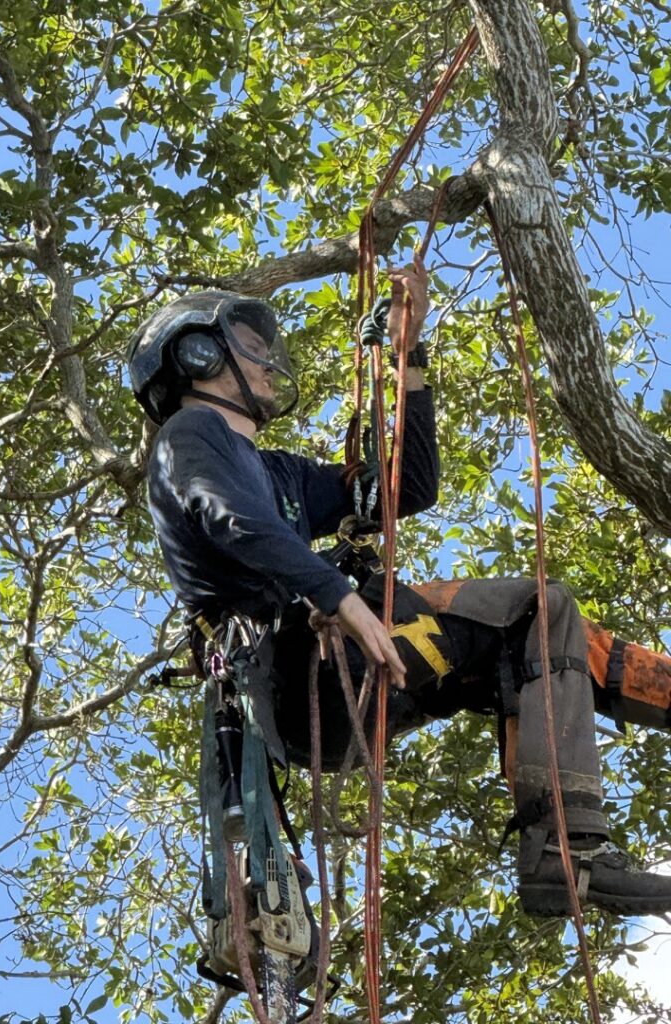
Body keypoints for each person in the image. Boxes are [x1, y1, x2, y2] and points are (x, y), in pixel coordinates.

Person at [127, 258, 671, 918]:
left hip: (339, 682)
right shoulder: (191, 435)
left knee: (537, 635)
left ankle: (567, 848)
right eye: (250, 345)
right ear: (198, 353)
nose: (269, 360)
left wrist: (409, 355)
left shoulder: (281, 474)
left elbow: (406, 488)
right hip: (303, 664)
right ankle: (567, 850)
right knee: (540, 609)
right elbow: (233, 521)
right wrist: (341, 596)